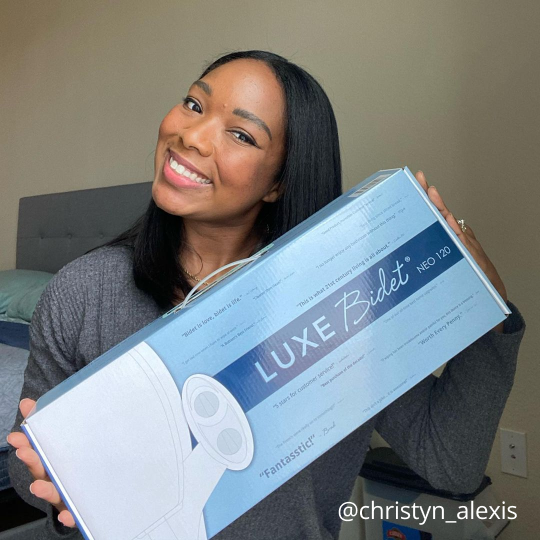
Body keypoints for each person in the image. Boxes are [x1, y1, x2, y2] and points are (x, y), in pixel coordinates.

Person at [7, 50, 525, 540]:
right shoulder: (83, 289)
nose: (192, 136)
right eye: (194, 104)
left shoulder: (339, 306)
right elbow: (22, 459)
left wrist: (491, 316)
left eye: (240, 134)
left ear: (278, 182)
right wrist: (60, 495)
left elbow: (449, 463)